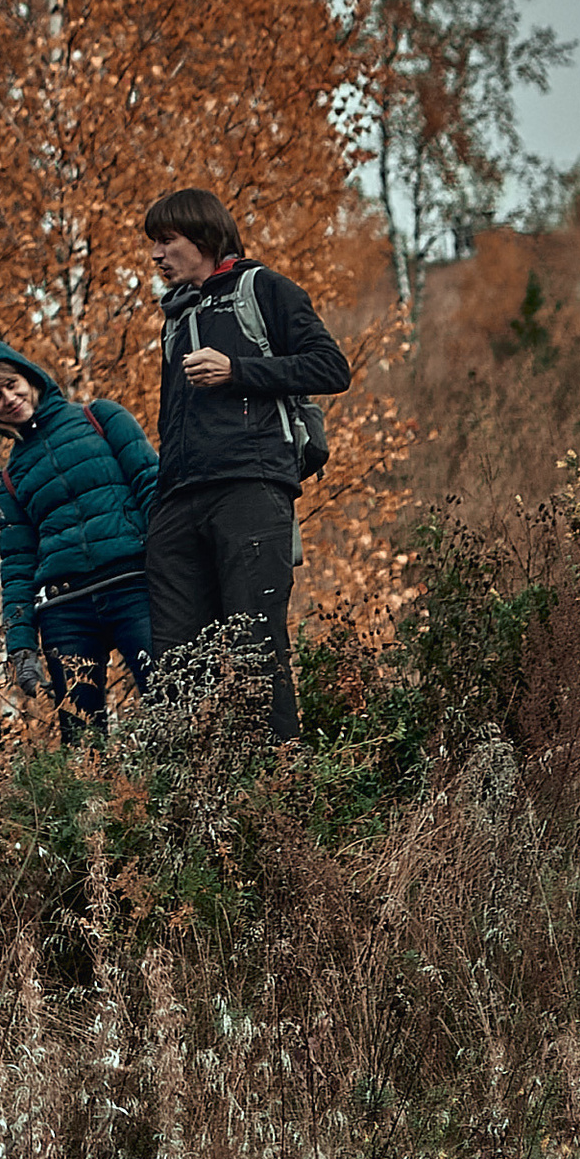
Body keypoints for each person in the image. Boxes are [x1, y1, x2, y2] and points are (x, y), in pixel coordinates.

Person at [143, 186, 350, 748]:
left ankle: (285, 794)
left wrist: (238, 369)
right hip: (179, 501)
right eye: (152, 245)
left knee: (257, 649)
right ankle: (187, 807)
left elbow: (332, 368)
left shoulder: (263, 288)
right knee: (177, 669)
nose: (155, 256)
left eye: (166, 241)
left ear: (205, 238)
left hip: (250, 488)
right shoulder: (174, 318)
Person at [0, 346, 158, 746]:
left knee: (171, 699)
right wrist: (20, 647)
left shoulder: (101, 418)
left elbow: (153, 489)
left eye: (11, 386)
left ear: (31, 378)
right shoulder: (10, 479)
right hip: (66, 612)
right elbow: (16, 565)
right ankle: (93, 810)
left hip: (134, 587)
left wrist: (180, 571)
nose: (9, 400)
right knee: (81, 740)